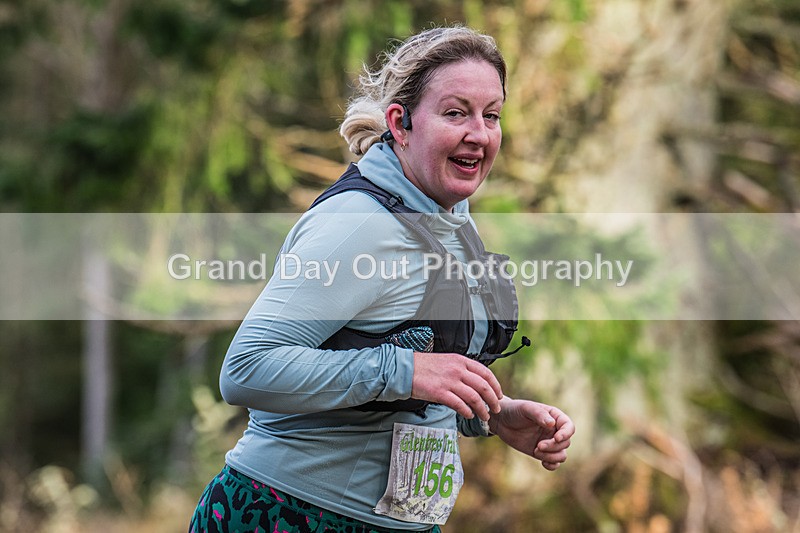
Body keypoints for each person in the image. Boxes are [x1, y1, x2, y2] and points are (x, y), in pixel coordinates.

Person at [189, 25, 574, 533]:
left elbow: (394, 374)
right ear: (401, 122)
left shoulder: (451, 217)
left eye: (492, 115)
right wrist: (407, 370)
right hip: (288, 514)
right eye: (455, 112)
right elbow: (247, 369)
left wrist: (490, 413)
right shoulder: (358, 223)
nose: (478, 133)